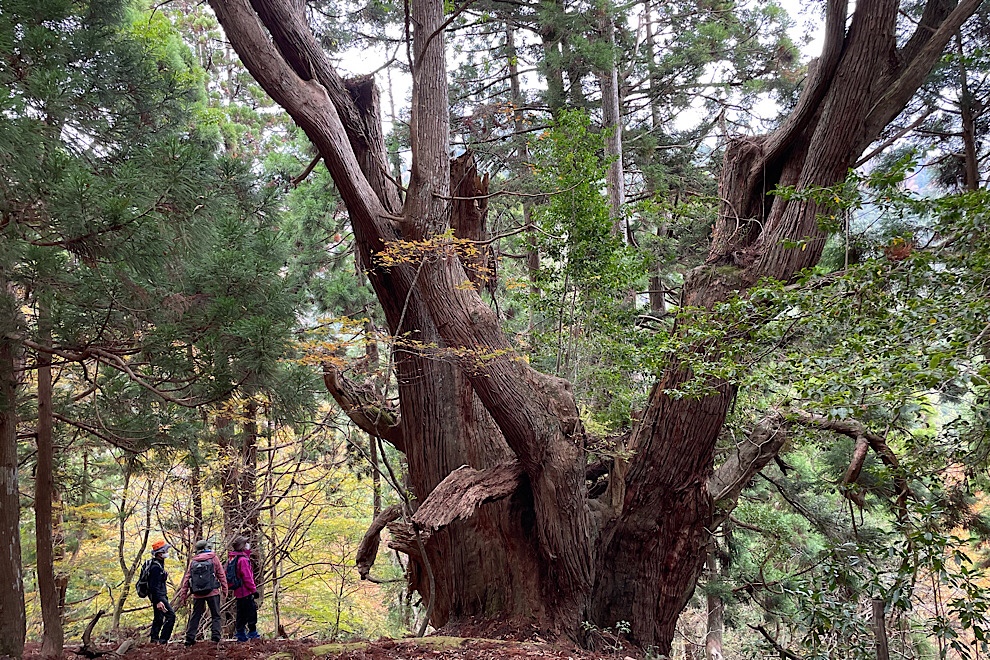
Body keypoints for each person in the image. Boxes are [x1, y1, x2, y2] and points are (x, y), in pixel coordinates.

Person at [176, 539, 228, 646]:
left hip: (197, 594)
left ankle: (189, 639)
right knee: (215, 615)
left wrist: (183, 595)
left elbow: (187, 579)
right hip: (212, 592)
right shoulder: (213, 558)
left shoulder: (194, 561)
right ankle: (215, 638)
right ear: (207, 548)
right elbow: (221, 574)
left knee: (196, 615)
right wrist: (224, 589)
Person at [228, 536, 260, 642]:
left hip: (238, 591)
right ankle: (252, 634)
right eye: (246, 543)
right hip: (245, 591)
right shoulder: (243, 560)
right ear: (242, 546)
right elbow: (247, 577)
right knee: (251, 612)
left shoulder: (233, 558)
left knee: (241, 613)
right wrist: (253, 590)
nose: (248, 545)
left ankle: (241, 634)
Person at [147, 540, 175, 645]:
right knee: (171, 616)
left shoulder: (158, 565)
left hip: (159, 596)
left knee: (158, 618)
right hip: (159, 597)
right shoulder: (155, 568)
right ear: (159, 553)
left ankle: (154, 640)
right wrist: (158, 601)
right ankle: (163, 641)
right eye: (165, 550)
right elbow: (153, 586)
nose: (167, 552)